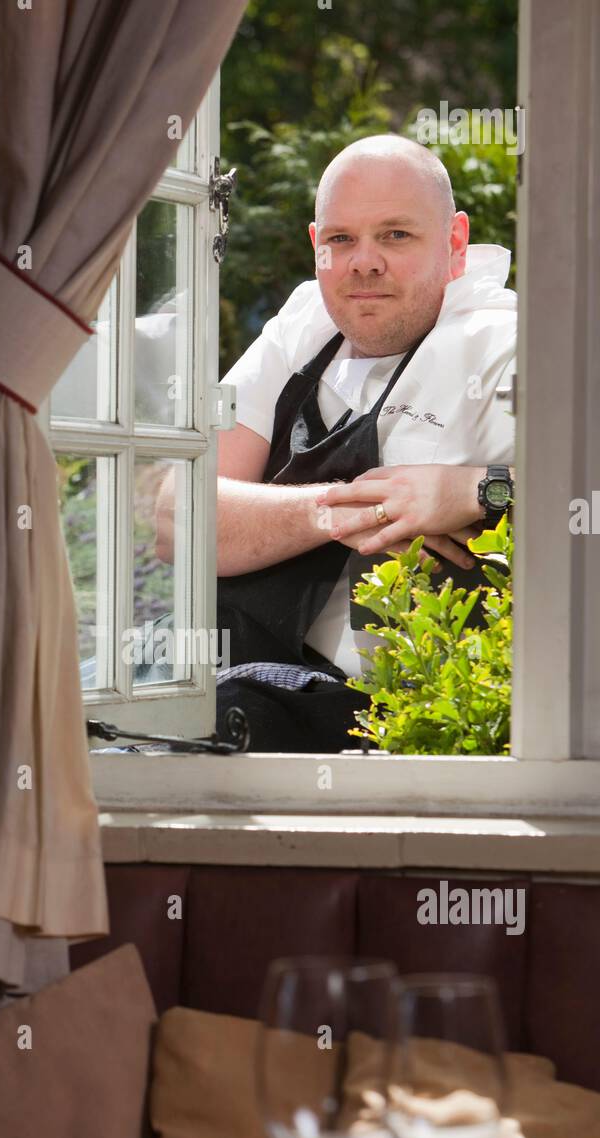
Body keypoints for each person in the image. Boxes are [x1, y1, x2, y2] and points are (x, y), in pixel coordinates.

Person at [156, 133, 517, 752]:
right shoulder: (306, 322)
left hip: (403, 720)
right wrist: (364, 509)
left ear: (456, 245)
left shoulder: (506, 348)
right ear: (315, 246)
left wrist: (479, 489)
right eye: (341, 239)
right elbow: (175, 520)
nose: (364, 262)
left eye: (396, 236)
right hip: (240, 665)